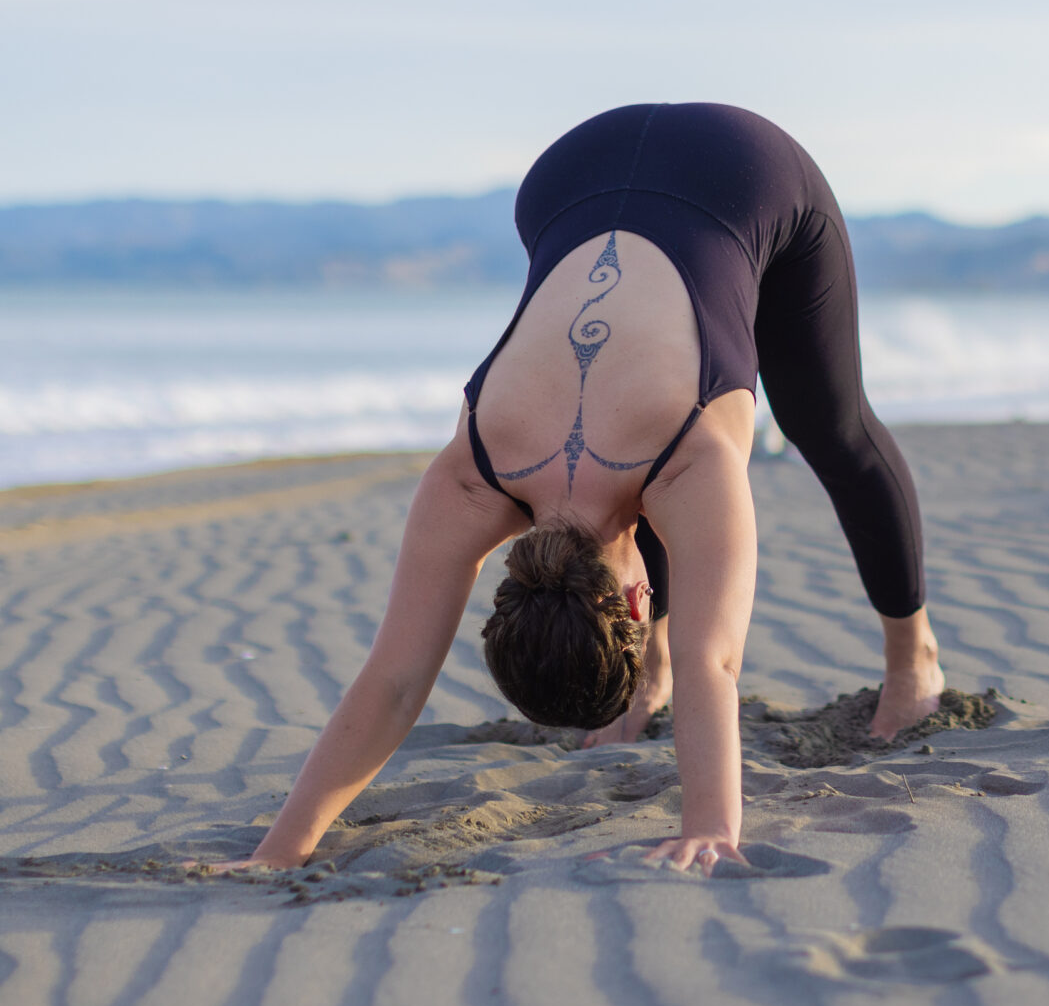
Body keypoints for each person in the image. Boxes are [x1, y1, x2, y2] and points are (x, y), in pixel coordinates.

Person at [231, 103, 941, 875]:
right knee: (636, 499)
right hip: (568, 169)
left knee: (828, 424)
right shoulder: (468, 471)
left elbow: (717, 663)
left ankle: (915, 659)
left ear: (637, 606)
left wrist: (711, 825)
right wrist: (283, 846)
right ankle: (651, 668)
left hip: (748, 171)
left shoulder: (690, 461)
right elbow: (392, 681)